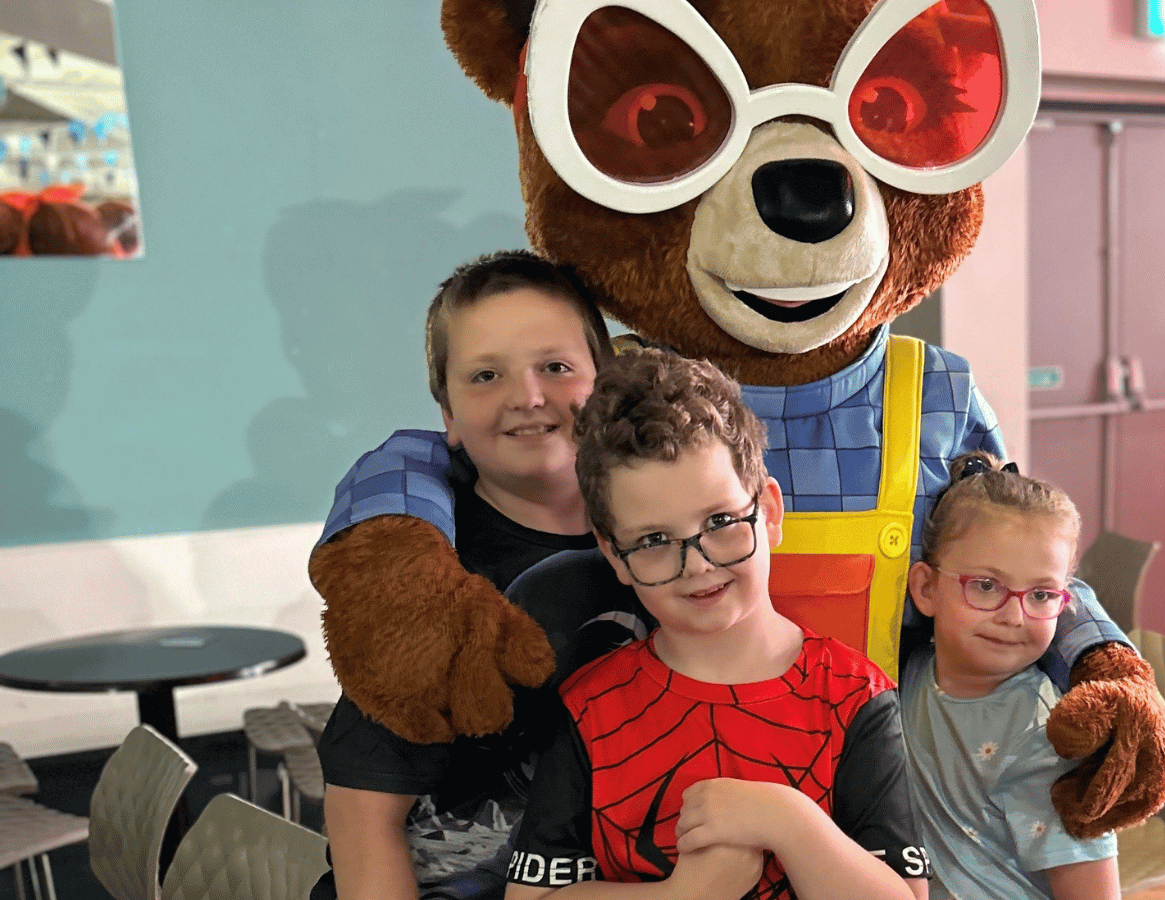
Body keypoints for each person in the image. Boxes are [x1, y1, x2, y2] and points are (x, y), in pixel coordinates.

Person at [504, 348, 928, 900]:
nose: (699, 564)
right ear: (614, 556)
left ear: (770, 513)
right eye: (654, 541)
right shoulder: (587, 708)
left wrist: (789, 821)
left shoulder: (856, 697)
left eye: (722, 522)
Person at [314, 249, 648, 900]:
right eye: (486, 376)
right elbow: (361, 815)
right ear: (448, 417)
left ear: (605, 380)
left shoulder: (658, 534)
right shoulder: (432, 578)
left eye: (554, 366)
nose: (527, 397)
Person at [901, 452, 1120, 900]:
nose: (1015, 616)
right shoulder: (905, 673)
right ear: (926, 588)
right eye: (985, 586)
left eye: (1041, 594)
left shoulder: (1048, 735)